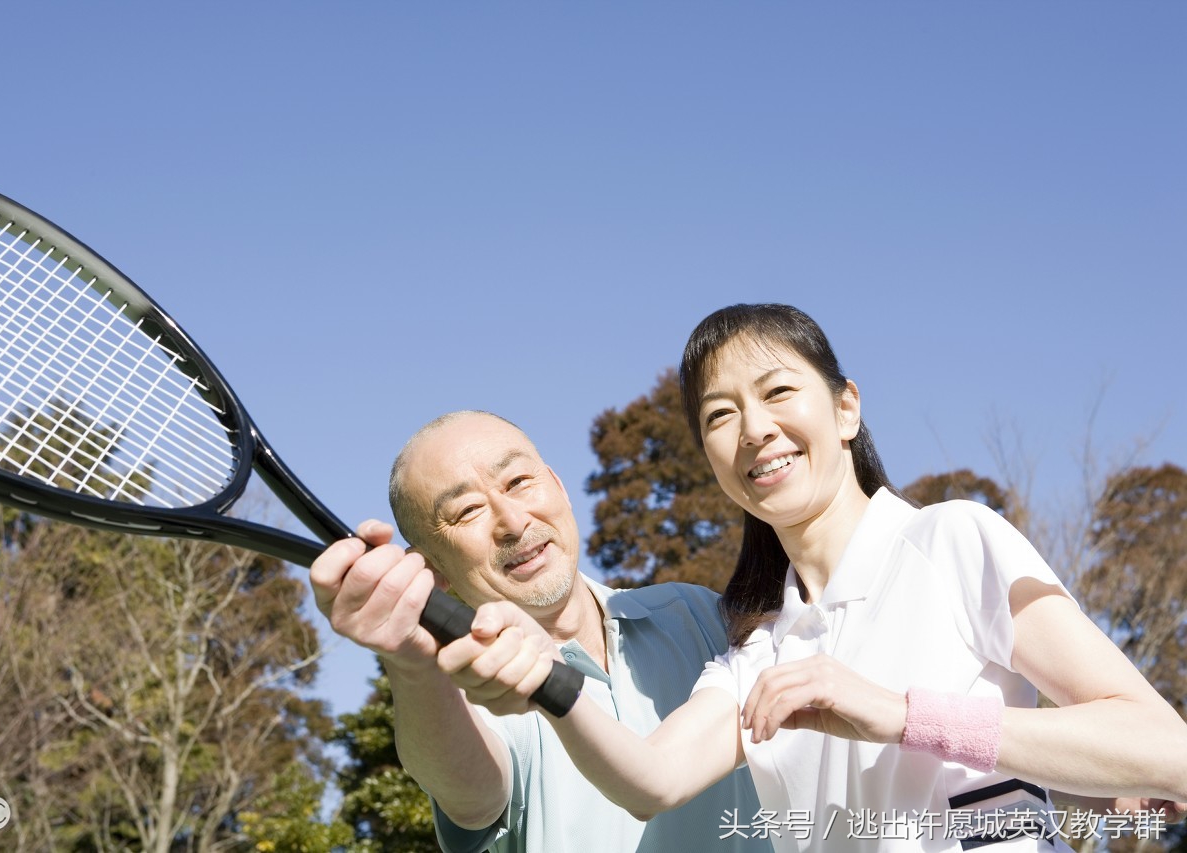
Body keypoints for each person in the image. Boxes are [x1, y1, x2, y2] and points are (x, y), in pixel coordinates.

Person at [439, 304, 1187, 852]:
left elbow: (1166, 749)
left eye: (777, 392)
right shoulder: (757, 653)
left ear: (846, 408)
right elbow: (649, 781)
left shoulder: (953, 539)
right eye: (720, 415)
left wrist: (898, 714)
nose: (755, 428)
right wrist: (547, 680)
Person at [309, 410, 765, 853]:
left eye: (518, 482)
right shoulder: (471, 694)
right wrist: (410, 662)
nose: (512, 522)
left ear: (559, 486)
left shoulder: (699, 613)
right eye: (467, 511)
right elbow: (474, 801)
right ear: (432, 567)